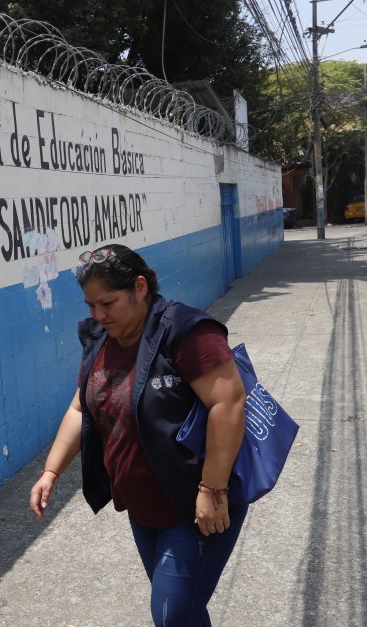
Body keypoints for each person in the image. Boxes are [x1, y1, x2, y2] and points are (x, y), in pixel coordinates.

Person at [29, 243, 247, 626]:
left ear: (140, 287)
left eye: (107, 303)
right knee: (183, 612)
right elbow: (80, 407)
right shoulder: (99, 339)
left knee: (171, 613)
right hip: (143, 507)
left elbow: (227, 403)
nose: (98, 315)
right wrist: (51, 471)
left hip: (193, 503)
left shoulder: (185, 331)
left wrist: (213, 490)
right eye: (90, 306)